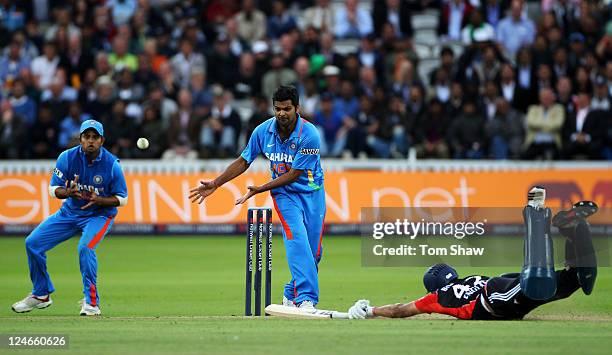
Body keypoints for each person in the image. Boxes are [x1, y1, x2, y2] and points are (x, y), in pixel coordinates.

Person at [346, 189, 599, 320]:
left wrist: (371, 310)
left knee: (536, 284)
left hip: (496, 300)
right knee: (571, 282)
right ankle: (571, 233)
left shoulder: (436, 297)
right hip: (497, 287)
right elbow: (501, 277)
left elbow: (401, 310)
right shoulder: (470, 278)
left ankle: (536, 213)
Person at [189, 85, 325, 311]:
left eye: (287, 109)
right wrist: (216, 183)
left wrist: (260, 188)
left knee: (314, 254)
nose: (281, 113)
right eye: (278, 108)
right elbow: (244, 161)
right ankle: (306, 299)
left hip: (312, 193)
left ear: (297, 108)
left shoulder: (309, 134)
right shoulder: (262, 131)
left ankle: (291, 293)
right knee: (297, 240)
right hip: (284, 196)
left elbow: (294, 174)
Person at [11, 119, 128, 316]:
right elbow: (52, 189)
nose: (90, 141)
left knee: (85, 247)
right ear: (80, 139)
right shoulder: (66, 157)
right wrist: (67, 193)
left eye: (95, 138)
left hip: (99, 216)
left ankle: (91, 303)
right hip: (70, 212)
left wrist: (99, 199)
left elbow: (122, 199)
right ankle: (41, 295)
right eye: (86, 137)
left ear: (102, 141)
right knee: (33, 243)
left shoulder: (112, 165)